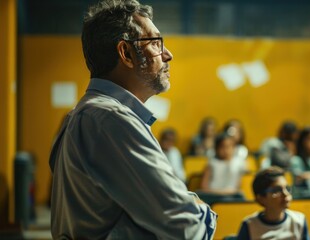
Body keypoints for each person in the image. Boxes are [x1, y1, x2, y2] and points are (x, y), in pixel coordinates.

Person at [49, 1, 216, 238]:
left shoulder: (84, 115)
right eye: (156, 43)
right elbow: (187, 228)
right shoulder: (110, 120)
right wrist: (202, 211)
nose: (168, 55)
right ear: (126, 53)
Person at [237, 167, 310, 240]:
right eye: (277, 190)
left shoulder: (299, 221)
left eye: (287, 188)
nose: (286, 194)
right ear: (261, 198)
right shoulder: (250, 225)